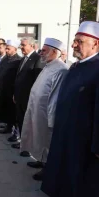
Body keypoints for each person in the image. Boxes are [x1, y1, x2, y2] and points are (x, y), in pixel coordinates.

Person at [41, 21, 99, 197]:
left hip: (83, 144)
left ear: (95, 43)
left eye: (79, 41)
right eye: (75, 40)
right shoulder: (76, 65)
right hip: (65, 135)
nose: (73, 44)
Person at [20, 38, 68, 181]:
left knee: (47, 141)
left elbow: (55, 97)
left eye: (44, 50)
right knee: (39, 139)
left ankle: (47, 169)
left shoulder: (61, 69)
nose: (41, 53)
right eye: (41, 50)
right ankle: (41, 161)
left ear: (55, 51)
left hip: (47, 115)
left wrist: (51, 121)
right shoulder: (48, 65)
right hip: (37, 111)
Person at [12, 37, 44, 155]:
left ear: (31, 45)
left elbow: (37, 81)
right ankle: (22, 143)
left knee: (29, 124)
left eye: (23, 45)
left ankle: (28, 148)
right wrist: (15, 94)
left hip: (28, 99)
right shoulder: (24, 59)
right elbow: (18, 77)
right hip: (19, 97)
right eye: (21, 44)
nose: (21, 47)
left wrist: (32, 98)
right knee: (21, 121)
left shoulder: (37, 59)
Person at [0, 40, 22, 133]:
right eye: (6, 48)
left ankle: (15, 130)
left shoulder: (18, 60)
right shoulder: (5, 59)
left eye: (8, 49)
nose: (6, 50)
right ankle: (8, 126)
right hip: (3, 90)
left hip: (11, 91)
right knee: (6, 110)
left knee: (12, 111)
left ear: (15, 49)